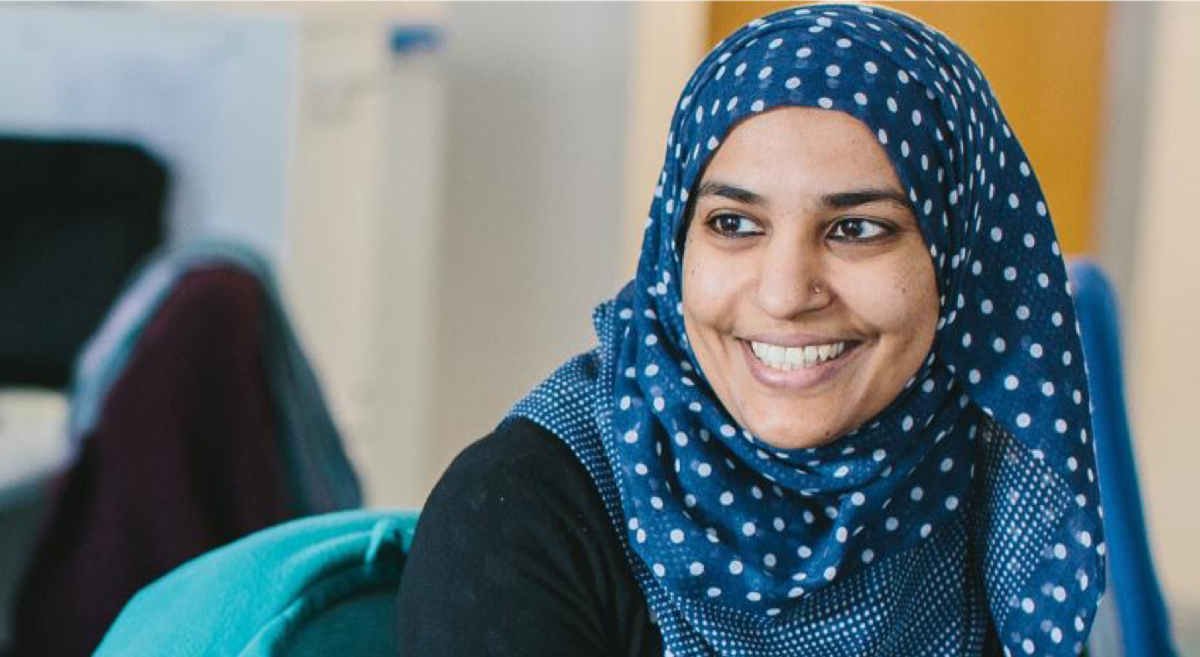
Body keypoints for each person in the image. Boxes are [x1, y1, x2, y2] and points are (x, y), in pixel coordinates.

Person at [395, 4, 1105, 656]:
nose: (785, 292)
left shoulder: (993, 481)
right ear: (676, 246)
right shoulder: (518, 517)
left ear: (958, 263)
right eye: (733, 224)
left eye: (857, 228)